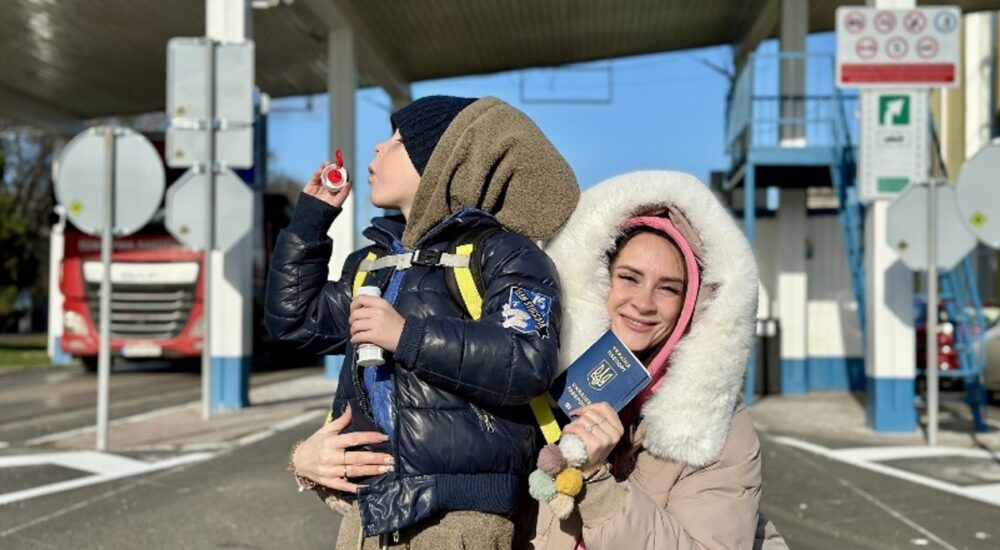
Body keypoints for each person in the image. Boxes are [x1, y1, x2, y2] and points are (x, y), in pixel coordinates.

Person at [265, 95, 580, 549]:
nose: (378, 147)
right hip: (369, 514)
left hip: (459, 519)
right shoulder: (373, 264)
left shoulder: (505, 253)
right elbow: (295, 321)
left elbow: (526, 361)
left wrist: (405, 335)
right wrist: (311, 222)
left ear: (443, 165)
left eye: (398, 139)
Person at [530, 171, 787, 549]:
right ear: (598, 279)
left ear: (689, 305)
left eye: (667, 288)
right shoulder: (535, 383)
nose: (644, 303)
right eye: (629, 278)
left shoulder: (714, 424)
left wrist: (598, 486)